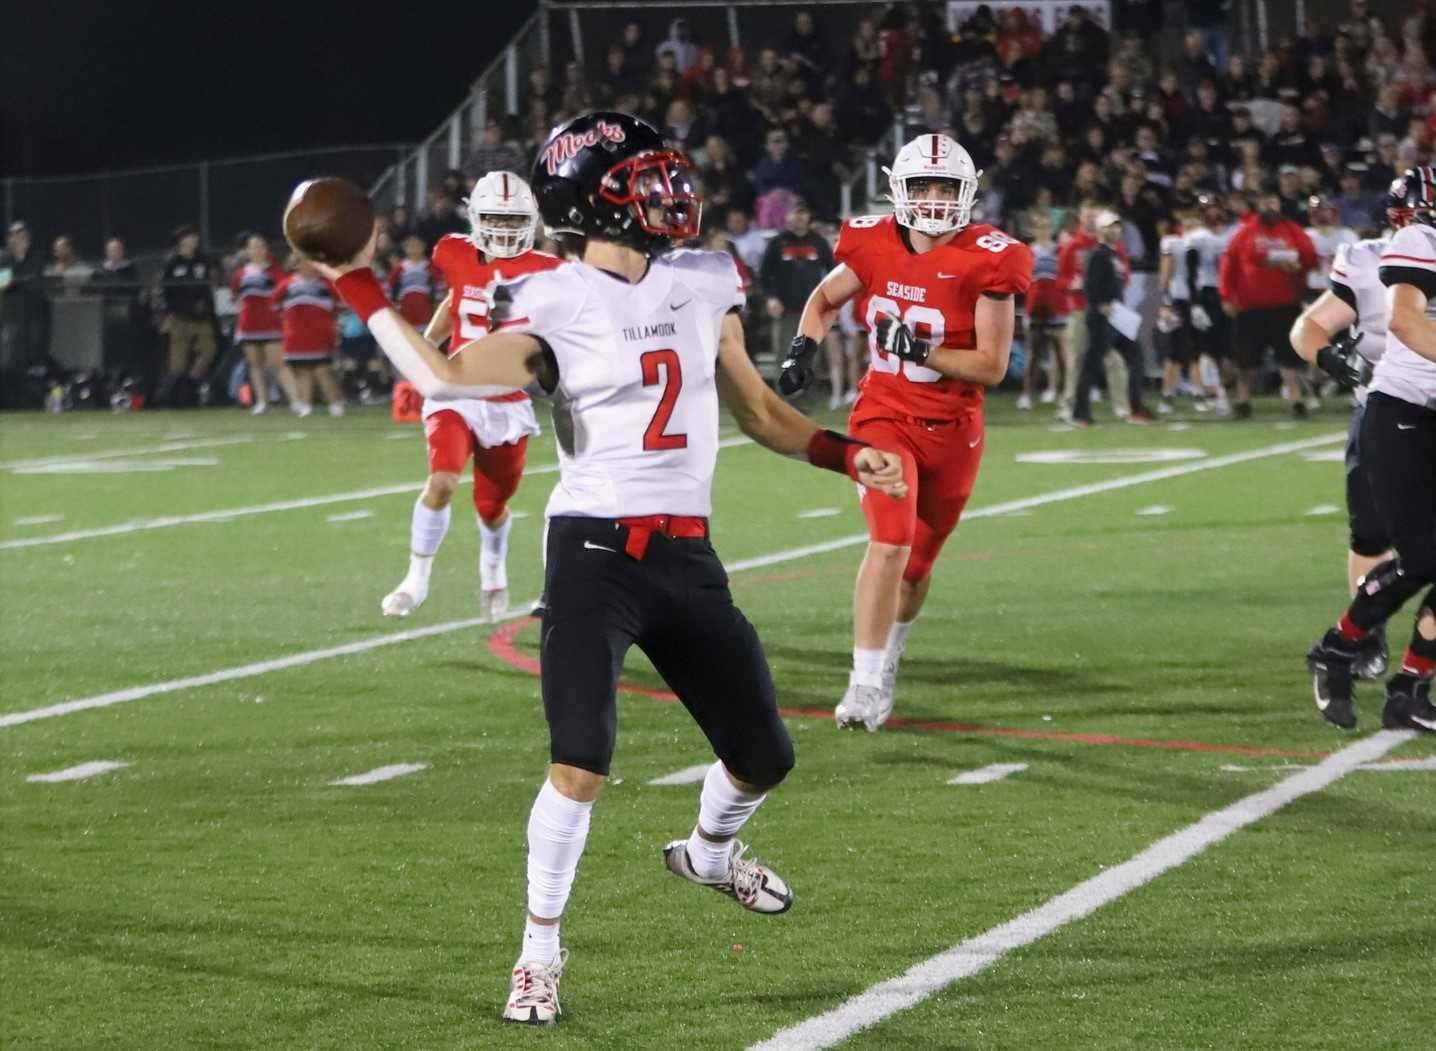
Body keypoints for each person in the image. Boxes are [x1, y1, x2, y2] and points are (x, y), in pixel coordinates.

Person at [316, 112, 906, 1024]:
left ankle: (709, 851)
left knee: (765, 755)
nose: (668, 186)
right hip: (593, 551)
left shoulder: (706, 278)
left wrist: (838, 453)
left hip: (687, 552)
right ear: (587, 198)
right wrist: (356, 284)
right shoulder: (549, 296)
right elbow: (441, 376)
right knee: (581, 760)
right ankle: (537, 954)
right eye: (641, 173)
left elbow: (755, 408)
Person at [782, 132, 1031, 729]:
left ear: (967, 192)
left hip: (953, 427)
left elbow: (992, 367)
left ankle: (887, 658)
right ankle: (863, 683)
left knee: (917, 567)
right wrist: (801, 351)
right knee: (889, 541)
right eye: (924, 186)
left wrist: (924, 350)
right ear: (901, 189)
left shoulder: (992, 256)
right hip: (883, 414)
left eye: (948, 188)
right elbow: (823, 298)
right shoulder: (872, 241)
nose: (937, 199)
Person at [381, 171, 562, 621]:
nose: (503, 228)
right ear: (477, 218)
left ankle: (493, 564)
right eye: (495, 218)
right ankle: (415, 578)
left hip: (506, 398)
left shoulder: (552, 271)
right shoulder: (454, 251)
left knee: (493, 505)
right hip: (456, 389)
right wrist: (425, 347)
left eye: (513, 219)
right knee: (441, 482)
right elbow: (457, 300)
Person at [1304, 167, 1436, 735]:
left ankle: (1410, 688)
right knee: (1423, 557)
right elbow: (1405, 321)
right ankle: (1337, 648)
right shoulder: (1419, 240)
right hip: (1403, 412)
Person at [1289, 224, 1395, 696]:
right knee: (1372, 534)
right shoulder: (1369, 261)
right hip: (1384, 412)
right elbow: (1308, 327)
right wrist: (1337, 361)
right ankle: (1365, 633)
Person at [1218, 191, 1318, 418]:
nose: (1270, 207)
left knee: (1288, 358)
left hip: (1285, 303)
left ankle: (1296, 401)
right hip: (1250, 306)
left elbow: (1310, 257)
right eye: (1265, 203)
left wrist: (1299, 266)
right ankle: (1243, 401)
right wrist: (1226, 296)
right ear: (1258, 205)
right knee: (1245, 358)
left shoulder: (1292, 230)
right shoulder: (1244, 232)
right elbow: (1228, 264)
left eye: (1273, 202)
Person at [1073, 211, 1153, 426]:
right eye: (1111, 226)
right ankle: (1081, 413)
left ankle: (1136, 408)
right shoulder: (1098, 254)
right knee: (1092, 364)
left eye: (1118, 226)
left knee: (1135, 356)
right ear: (1101, 230)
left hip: (1117, 316)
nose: (1116, 230)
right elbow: (1089, 285)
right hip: (1102, 317)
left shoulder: (1113, 253)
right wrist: (1101, 305)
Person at [1056, 203, 1132, 422]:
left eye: (1094, 216)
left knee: (1114, 358)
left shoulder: (1114, 248)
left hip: (1108, 312)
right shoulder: (1072, 247)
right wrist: (1073, 284)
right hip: (1079, 310)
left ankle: (1122, 406)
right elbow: (1059, 280)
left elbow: (1124, 275)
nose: (1089, 220)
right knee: (1076, 358)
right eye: (1086, 216)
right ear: (1080, 218)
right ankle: (1069, 404)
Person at [757, 198, 836, 396]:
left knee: (811, 356)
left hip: (812, 310)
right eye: (795, 213)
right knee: (784, 353)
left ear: (808, 217)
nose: (799, 217)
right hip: (786, 310)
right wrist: (770, 298)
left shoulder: (818, 242)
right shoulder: (777, 242)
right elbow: (764, 275)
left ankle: (807, 398)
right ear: (788, 216)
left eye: (803, 213)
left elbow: (833, 271)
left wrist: (830, 300)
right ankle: (783, 398)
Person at [230, 234, 303, 415]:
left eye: (261, 246)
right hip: (248, 324)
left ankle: (296, 401)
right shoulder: (240, 274)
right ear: (247, 251)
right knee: (255, 365)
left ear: (266, 249)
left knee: (278, 364)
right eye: (253, 247)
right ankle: (262, 401)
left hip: (271, 323)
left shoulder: (275, 271)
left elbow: (285, 291)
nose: (257, 250)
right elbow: (235, 296)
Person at [271, 256, 343, 417]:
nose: (310, 266)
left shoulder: (326, 285)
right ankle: (306, 405)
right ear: (296, 265)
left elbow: (340, 305)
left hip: (320, 335)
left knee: (323, 370)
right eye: (305, 262)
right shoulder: (287, 285)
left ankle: (335, 404)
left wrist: (329, 324)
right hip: (296, 335)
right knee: (302, 371)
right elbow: (275, 305)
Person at [158, 225, 219, 407]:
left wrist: (208, 308)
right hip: (180, 318)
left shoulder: (203, 260)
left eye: (195, 237)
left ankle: (192, 383)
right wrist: (167, 315)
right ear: (181, 241)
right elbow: (165, 291)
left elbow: (209, 287)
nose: (194, 240)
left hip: (201, 317)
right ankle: (172, 398)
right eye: (190, 237)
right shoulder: (172, 263)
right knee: (177, 363)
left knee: (208, 352)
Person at [0, 220, 51, 408]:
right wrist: (22, 281)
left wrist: (16, 282)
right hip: (10, 319)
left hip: (32, 319)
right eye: (14, 236)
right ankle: (8, 403)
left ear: (27, 239)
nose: (18, 239)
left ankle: (28, 404)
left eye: (21, 236)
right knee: (7, 362)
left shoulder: (35, 259)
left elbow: (37, 283)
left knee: (30, 363)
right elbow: (3, 283)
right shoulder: (4, 258)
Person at [1020, 211, 1065, 410]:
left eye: (1047, 226)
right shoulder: (1027, 252)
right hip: (1034, 307)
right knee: (1033, 354)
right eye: (1040, 226)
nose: (1044, 230)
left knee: (1060, 354)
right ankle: (1027, 394)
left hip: (1056, 308)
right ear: (1034, 230)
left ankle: (1060, 393)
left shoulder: (1060, 251)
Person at [387, 234, 439, 328]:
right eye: (410, 246)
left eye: (417, 246)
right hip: (406, 302)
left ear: (423, 247)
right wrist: (393, 301)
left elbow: (439, 283)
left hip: (424, 302)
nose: (414, 250)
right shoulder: (401, 267)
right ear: (405, 248)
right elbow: (390, 283)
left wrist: (437, 301)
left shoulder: (428, 265)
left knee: (425, 328)